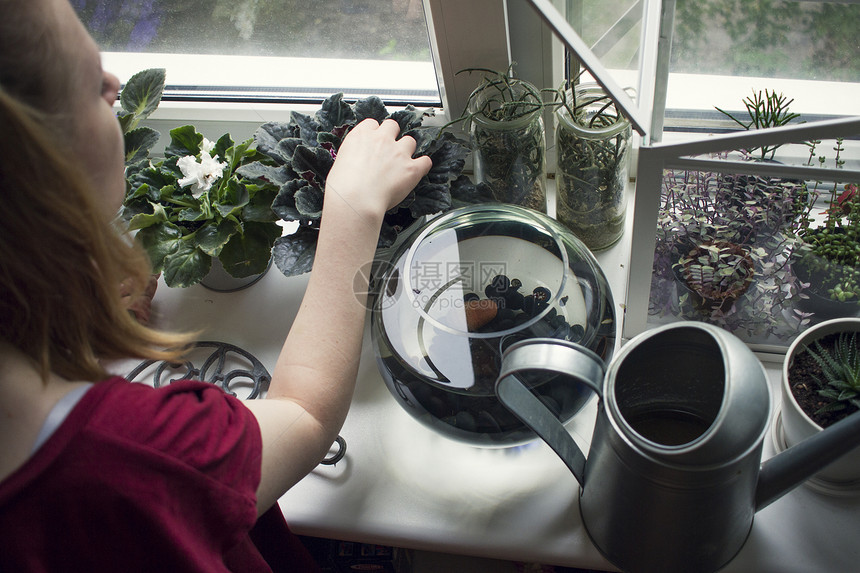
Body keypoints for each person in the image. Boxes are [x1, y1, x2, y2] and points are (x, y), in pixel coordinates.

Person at [0, 0, 433, 571]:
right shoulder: (130, 459)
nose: (113, 82)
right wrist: (352, 209)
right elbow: (304, 414)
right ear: (38, 170)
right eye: (87, 84)